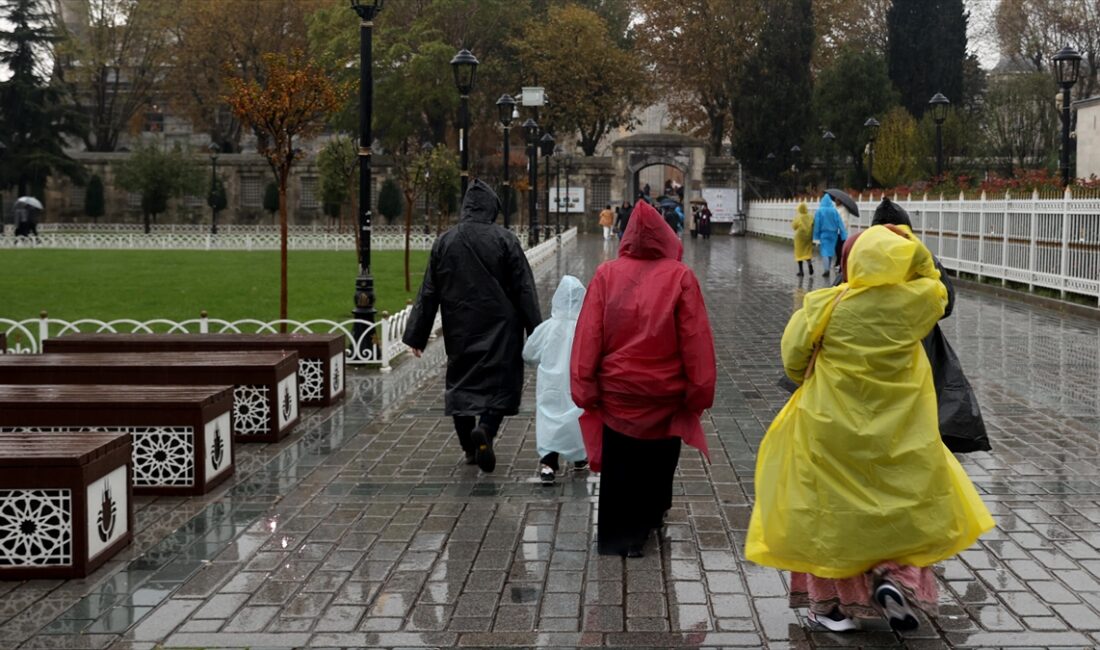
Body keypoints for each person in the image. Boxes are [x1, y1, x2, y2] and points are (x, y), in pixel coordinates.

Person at [745, 224, 994, 632]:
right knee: (901, 503)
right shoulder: (916, 303)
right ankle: (895, 577)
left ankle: (831, 607)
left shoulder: (825, 304)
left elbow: (793, 361)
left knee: (830, 512)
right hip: (901, 427)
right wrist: (908, 245)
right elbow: (937, 282)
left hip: (828, 426)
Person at [571, 200, 716, 558]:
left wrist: (584, 387)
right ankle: (652, 516)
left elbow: (589, 336)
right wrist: (699, 393)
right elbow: (695, 341)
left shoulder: (606, 275)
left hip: (619, 393)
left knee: (621, 467)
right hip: (665, 395)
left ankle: (621, 535)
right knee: (658, 460)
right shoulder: (680, 277)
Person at [403, 179, 542, 472]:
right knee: (501, 381)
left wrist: (418, 334)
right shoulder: (505, 240)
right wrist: (536, 331)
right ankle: (487, 429)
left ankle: (469, 446)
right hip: (502, 326)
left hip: (461, 323)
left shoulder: (445, 241)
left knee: (461, 383)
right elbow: (524, 289)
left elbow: (430, 290)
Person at [855, 198, 990, 454]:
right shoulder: (921, 256)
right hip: (917, 345)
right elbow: (946, 302)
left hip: (867, 348)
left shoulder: (860, 255)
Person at [523, 275, 588, 484]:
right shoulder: (586, 328)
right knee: (577, 418)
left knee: (549, 420)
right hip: (577, 383)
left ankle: (549, 463)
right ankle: (579, 457)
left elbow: (529, 352)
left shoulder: (548, 327)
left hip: (550, 384)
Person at [812, 194, 846, 278]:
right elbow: (840, 223)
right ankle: (828, 267)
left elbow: (817, 224)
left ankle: (826, 269)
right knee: (830, 252)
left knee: (824, 252)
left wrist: (816, 234)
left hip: (824, 234)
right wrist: (843, 234)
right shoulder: (834, 211)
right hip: (833, 234)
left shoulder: (820, 211)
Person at [791, 202, 815, 276]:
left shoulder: (798, 217)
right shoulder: (810, 216)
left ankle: (801, 271)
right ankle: (810, 265)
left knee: (799, 253)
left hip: (800, 237)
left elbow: (794, 227)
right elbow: (814, 224)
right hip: (809, 236)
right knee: (807, 252)